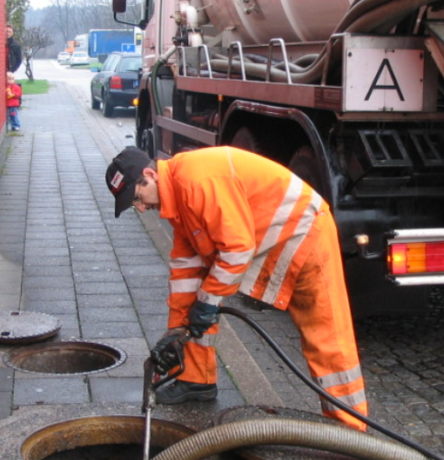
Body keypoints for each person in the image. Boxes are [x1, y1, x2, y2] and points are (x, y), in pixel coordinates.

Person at [105, 146, 368, 431]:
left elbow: (237, 251)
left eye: (137, 198)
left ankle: (350, 430)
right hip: (277, 238)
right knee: (195, 299)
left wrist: (208, 302)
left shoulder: (196, 181)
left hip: (306, 236)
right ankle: (195, 379)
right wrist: (173, 336)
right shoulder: (177, 199)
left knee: (326, 337)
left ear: (149, 175)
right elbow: (185, 275)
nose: (141, 209)